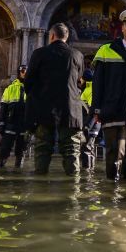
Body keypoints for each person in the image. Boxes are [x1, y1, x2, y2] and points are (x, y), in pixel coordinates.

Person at [92, 8, 126, 181]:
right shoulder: (106, 50)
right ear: (122, 27)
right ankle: (111, 194)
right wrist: (97, 108)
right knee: (114, 154)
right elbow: (98, 82)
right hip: (112, 108)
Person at [25, 23, 85, 175]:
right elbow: (79, 81)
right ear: (67, 37)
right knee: (71, 149)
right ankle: (73, 186)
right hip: (70, 109)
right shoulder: (77, 55)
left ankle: (40, 182)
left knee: (42, 148)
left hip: (44, 108)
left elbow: (29, 82)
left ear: (51, 36)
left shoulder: (39, 53)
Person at [0, 65, 29, 168]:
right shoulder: (9, 88)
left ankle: (18, 176)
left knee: (21, 152)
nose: (25, 73)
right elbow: (3, 109)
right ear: (19, 72)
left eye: (26, 71)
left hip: (24, 125)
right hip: (10, 124)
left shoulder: (31, 89)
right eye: (23, 71)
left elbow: (33, 109)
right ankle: (0, 174)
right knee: (4, 150)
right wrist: (1, 124)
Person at [79, 68, 101, 171]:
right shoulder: (90, 89)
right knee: (88, 147)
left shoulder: (90, 90)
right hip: (91, 124)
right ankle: (89, 171)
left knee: (86, 148)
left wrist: (87, 126)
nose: (80, 80)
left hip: (91, 125)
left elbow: (94, 109)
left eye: (81, 77)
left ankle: (87, 172)